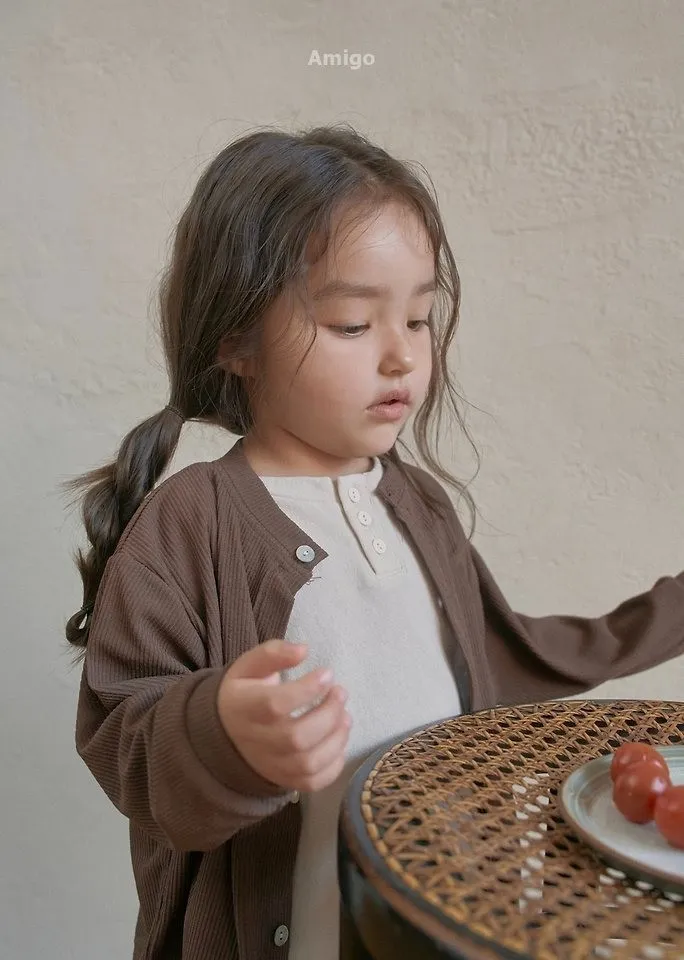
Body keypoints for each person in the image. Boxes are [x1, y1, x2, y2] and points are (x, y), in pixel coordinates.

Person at [65, 124, 684, 960]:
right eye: (353, 323)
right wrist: (224, 734)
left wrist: (669, 612)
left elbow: (501, 657)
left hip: (436, 916)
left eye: (420, 319)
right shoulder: (192, 520)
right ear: (236, 339)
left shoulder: (416, 502)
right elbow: (123, 736)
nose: (402, 356)